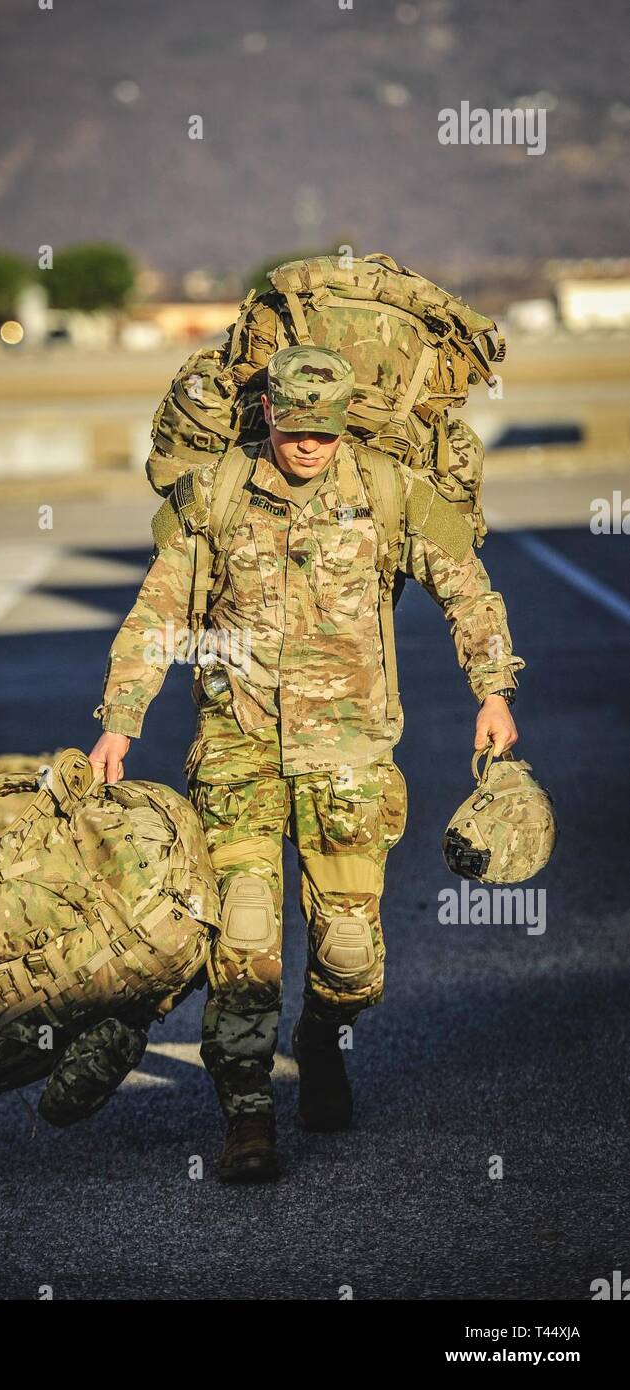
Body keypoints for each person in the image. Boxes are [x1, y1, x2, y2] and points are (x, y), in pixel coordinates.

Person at [89, 345, 521, 1182]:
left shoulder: (389, 493)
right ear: (272, 418)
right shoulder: (217, 492)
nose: (310, 447)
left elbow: (466, 588)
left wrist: (492, 689)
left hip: (349, 758)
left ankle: (321, 1041)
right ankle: (248, 1118)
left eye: (325, 433)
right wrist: (120, 721)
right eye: (296, 431)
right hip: (237, 752)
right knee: (245, 944)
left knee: (350, 959)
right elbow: (156, 613)